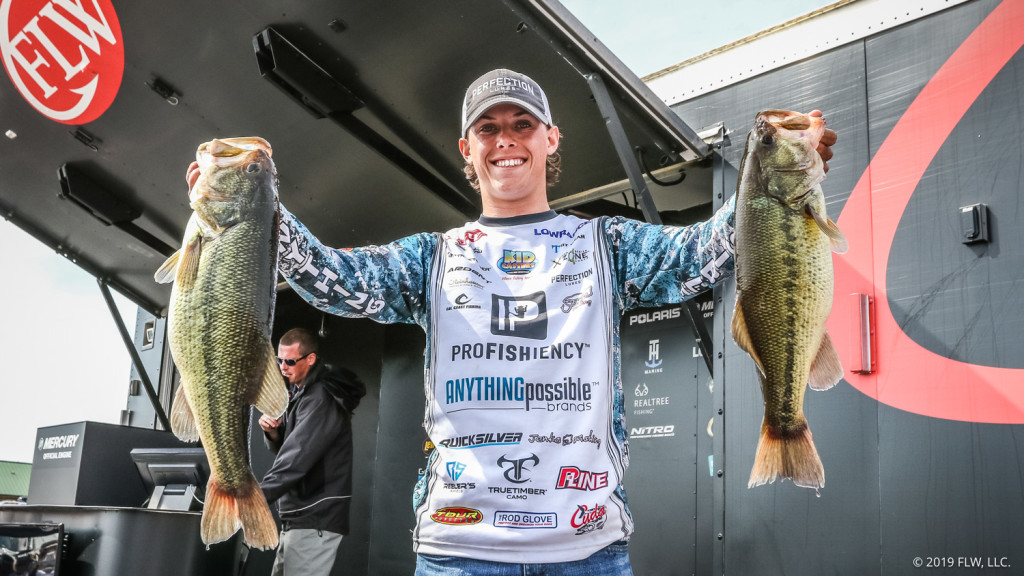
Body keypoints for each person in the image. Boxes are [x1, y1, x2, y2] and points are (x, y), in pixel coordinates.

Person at [188, 68, 835, 575]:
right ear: (467, 149)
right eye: (488, 128)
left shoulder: (607, 247)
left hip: (589, 552)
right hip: (458, 553)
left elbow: (704, 255)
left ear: (550, 139)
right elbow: (334, 279)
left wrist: (770, 174)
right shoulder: (432, 259)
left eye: (522, 124)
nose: (506, 139)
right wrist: (250, 201)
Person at [259, 327, 366, 576]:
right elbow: (291, 448)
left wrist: (254, 500)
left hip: (314, 517)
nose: (283, 366)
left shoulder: (321, 398)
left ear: (310, 359)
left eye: (290, 361)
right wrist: (274, 433)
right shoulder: (300, 394)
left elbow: (296, 458)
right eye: (279, 360)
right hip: (298, 516)